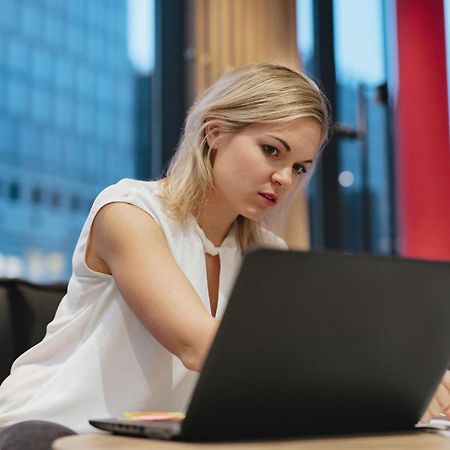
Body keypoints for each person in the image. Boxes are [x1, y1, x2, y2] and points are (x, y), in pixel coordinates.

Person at [0, 63, 448, 449]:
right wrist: (369, 380)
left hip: (152, 442)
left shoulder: (267, 254)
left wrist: (407, 383)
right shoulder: (129, 212)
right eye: (272, 150)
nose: (284, 179)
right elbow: (198, 346)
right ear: (214, 132)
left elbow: (283, 372)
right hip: (49, 432)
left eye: (299, 167)